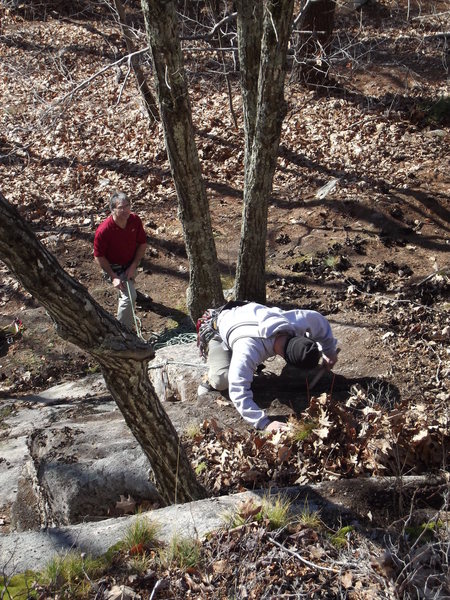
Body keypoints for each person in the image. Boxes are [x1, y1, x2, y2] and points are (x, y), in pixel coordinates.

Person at [197, 302, 338, 432]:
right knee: (222, 380)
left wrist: (329, 351)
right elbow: (237, 389)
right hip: (218, 328)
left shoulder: (294, 322)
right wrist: (264, 423)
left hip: (244, 315)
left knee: (243, 366)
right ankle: (209, 378)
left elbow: (319, 321)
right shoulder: (248, 349)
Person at [94, 191, 148, 330]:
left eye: (127, 206)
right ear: (112, 210)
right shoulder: (104, 230)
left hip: (131, 262)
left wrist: (134, 265)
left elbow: (142, 244)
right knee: (129, 299)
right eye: (121, 207)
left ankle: (129, 286)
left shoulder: (135, 220)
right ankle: (123, 332)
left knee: (129, 285)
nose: (125, 210)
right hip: (114, 267)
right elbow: (99, 256)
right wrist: (113, 276)